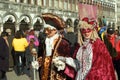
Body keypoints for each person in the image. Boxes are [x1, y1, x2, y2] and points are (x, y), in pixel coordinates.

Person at [37, 13, 71, 80]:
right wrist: (38, 62)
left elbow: (68, 59)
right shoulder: (44, 42)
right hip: (45, 74)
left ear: (55, 30)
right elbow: (42, 55)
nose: (46, 32)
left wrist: (63, 65)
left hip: (56, 74)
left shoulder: (63, 43)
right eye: (45, 30)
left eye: (48, 30)